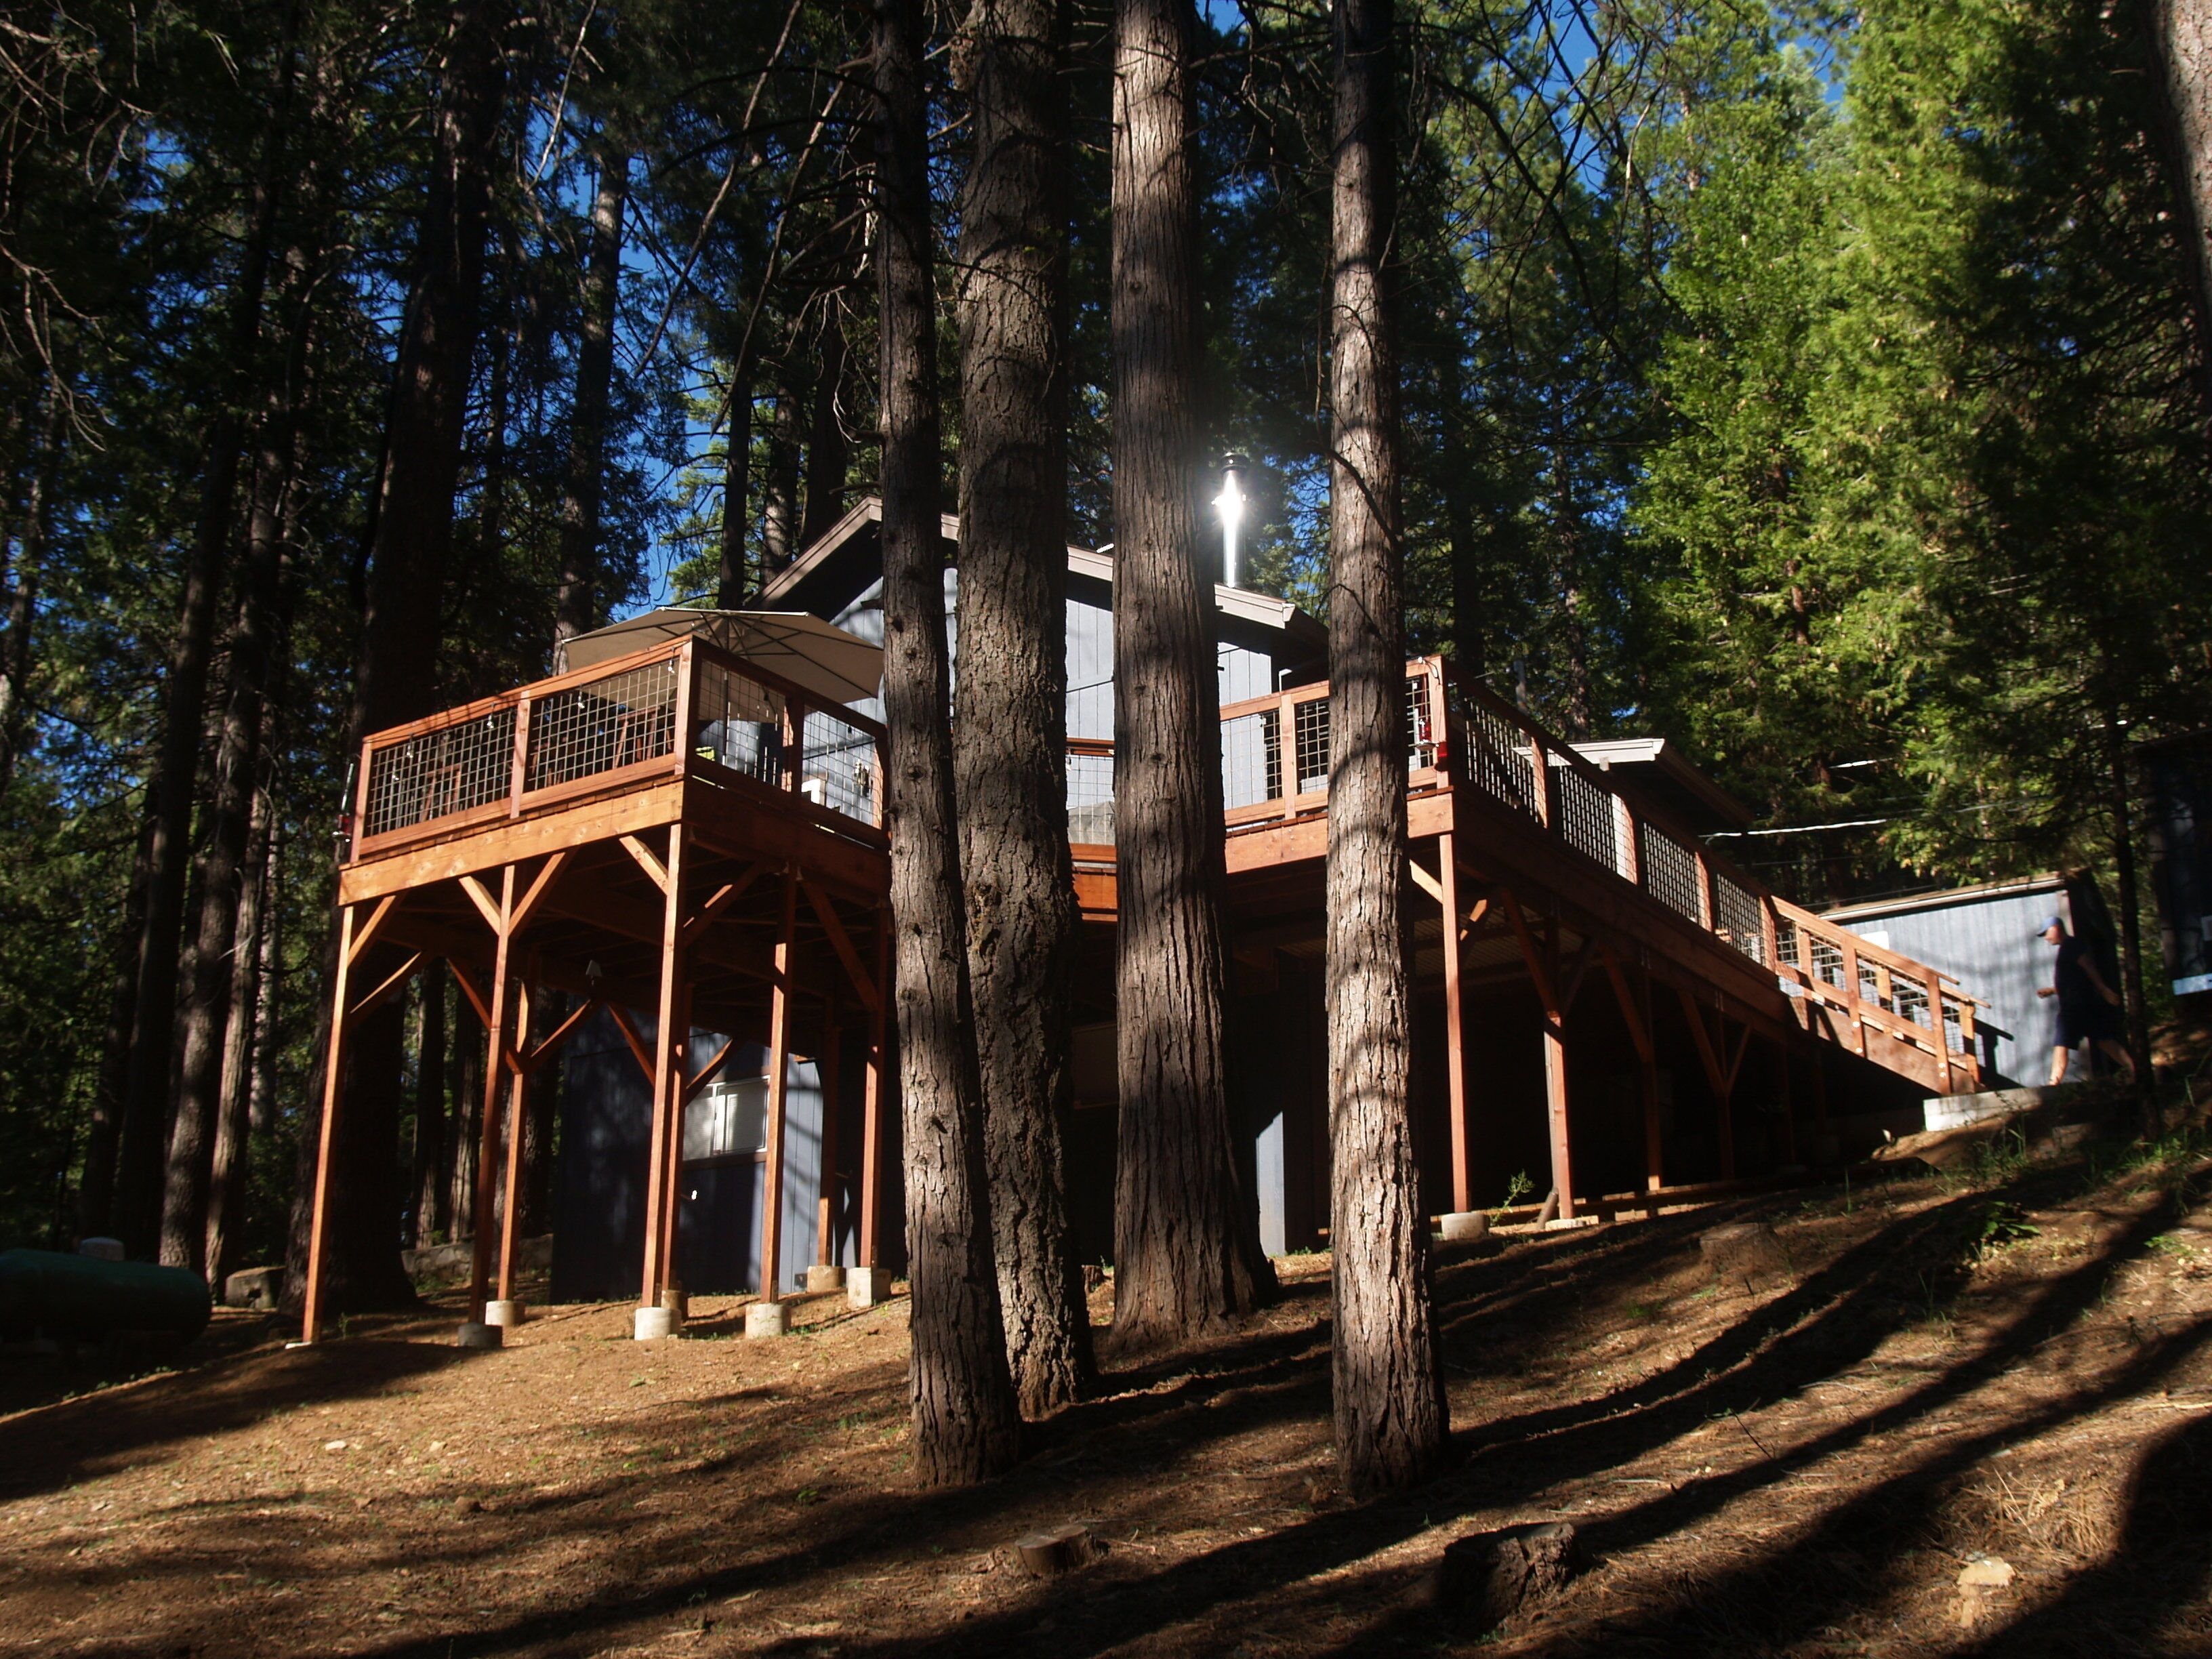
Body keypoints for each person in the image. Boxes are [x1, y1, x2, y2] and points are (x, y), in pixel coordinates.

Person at [2034, 915, 2137, 1086]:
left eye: (2047, 933)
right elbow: (2074, 980)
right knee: (2104, 1041)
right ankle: (2136, 1070)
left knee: (2061, 1043)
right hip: (2082, 1005)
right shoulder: (2067, 948)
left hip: (2075, 1007)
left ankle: (2053, 1085)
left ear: (2056, 929)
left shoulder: (2072, 945)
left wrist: (2103, 989)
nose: (2046, 938)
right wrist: (2052, 991)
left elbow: (2088, 966)